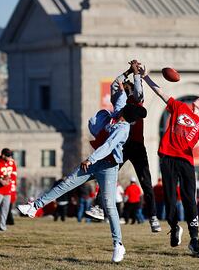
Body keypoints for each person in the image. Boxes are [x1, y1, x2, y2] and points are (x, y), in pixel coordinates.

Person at [18, 76, 147, 263]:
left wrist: (90, 158)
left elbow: (108, 147)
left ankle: (118, 245)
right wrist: (126, 73)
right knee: (66, 183)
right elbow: (116, 88)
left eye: (125, 107)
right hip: (95, 162)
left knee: (110, 206)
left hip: (108, 166)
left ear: (127, 115)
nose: (121, 104)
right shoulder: (118, 113)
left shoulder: (123, 128)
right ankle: (34, 207)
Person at [140, 64, 199, 256]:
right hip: (167, 157)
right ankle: (174, 227)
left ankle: (194, 239)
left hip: (185, 161)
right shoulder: (179, 107)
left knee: (189, 199)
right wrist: (146, 77)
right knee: (171, 198)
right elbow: (161, 93)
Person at [87, 60, 162, 232]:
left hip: (136, 145)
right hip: (121, 144)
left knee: (146, 181)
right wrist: (128, 71)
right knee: (107, 173)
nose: (125, 89)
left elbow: (138, 88)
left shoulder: (137, 101)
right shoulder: (119, 103)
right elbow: (115, 83)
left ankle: (153, 216)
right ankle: (98, 207)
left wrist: (136, 74)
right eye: (125, 88)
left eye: (127, 88)